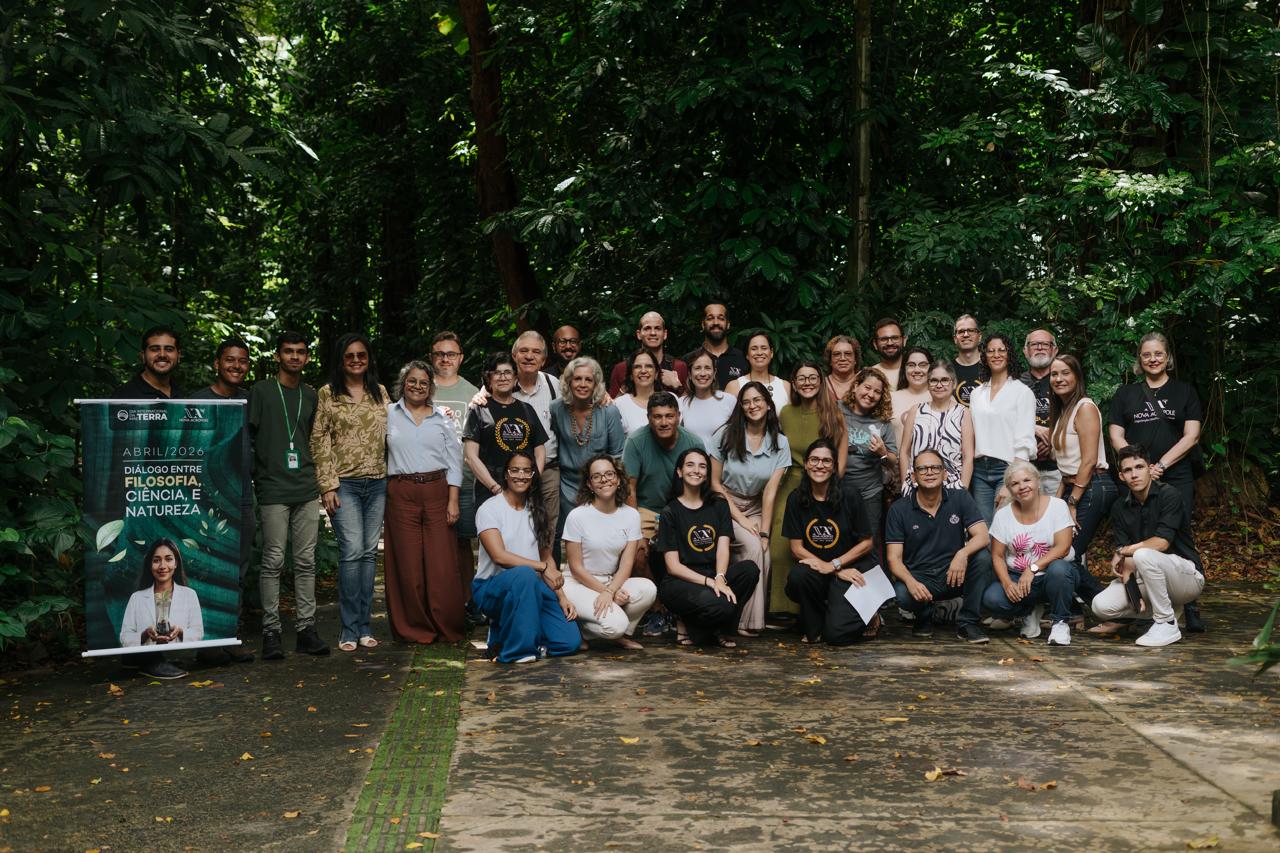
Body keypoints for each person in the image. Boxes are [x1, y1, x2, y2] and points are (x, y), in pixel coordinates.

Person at [248, 332, 329, 661]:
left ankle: (306, 630)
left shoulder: (310, 395)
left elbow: (315, 439)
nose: (294, 357)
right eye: (288, 351)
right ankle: (271, 632)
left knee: (306, 561)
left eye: (300, 352)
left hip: (305, 487)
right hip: (273, 488)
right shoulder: (262, 391)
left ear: (307, 357)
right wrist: (258, 475)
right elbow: (249, 437)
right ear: (278, 356)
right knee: (273, 560)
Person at [312, 332, 388, 653]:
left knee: (369, 553)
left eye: (361, 355)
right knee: (352, 551)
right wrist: (327, 484)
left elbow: (396, 429)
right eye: (349, 356)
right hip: (345, 484)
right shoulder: (328, 393)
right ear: (341, 360)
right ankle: (348, 627)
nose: (356, 360)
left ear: (368, 359)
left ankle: (365, 626)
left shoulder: (379, 392)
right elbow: (319, 440)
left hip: (378, 482)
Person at [472, 451, 582, 662]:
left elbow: (546, 557)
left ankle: (509, 635)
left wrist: (561, 596)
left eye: (526, 471)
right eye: (515, 470)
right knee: (524, 574)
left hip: (532, 585)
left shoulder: (537, 510)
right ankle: (516, 652)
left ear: (533, 475)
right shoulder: (490, 509)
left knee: (568, 642)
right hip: (492, 587)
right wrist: (541, 567)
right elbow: (499, 557)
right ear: (506, 474)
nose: (520, 476)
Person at [383, 361, 465, 644]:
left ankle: (446, 625)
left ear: (431, 388)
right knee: (408, 564)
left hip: (437, 491)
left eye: (423, 382)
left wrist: (453, 500)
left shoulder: (442, 417)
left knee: (441, 563)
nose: (417, 386)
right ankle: (415, 628)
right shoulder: (388, 414)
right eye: (412, 381)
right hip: (401, 492)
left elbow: (455, 461)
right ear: (403, 383)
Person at [1091, 445, 1205, 647]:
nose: (1134, 474)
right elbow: (1127, 565)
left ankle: (1166, 623)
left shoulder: (1169, 495)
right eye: (1128, 470)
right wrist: (1135, 597)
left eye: (1139, 467)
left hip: (1186, 578)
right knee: (1100, 606)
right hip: (1148, 578)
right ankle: (1166, 611)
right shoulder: (1119, 507)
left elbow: (1161, 542)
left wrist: (1123, 551)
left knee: (1143, 554)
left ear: (1150, 469)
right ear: (1121, 476)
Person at [189, 337, 255, 665]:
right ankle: (206, 643)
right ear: (217, 363)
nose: (236, 366)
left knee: (237, 570)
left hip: (241, 496)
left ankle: (230, 636)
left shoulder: (249, 400)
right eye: (230, 359)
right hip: (204, 497)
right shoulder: (196, 401)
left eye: (242, 361)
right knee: (205, 568)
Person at [885, 448, 994, 643]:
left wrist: (962, 554)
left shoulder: (960, 497)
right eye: (922, 469)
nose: (929, 472)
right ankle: (924, 615)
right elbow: (893, 559)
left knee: (983, 557)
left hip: (953, 574)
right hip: (920, 578)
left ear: (945, 474)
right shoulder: (899, 509)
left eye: (935, 468)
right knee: (901, 593)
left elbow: (983, 536)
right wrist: (910, 582)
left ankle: (968, 623)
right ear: (913, 477)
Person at [654, 448, 760, 647]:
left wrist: (719, 577)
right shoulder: (670, 512)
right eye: (690, 465)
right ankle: (693, 623)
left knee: (749, 570)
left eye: (702, 466)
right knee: (723, 606)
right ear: (679, 472)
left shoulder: (719, 505)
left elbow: (723, 548)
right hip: (680, 582)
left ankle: (716, 629)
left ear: (707, 474)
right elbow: (673, 567)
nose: (696, 470)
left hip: (712, 574)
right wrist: (710, 582)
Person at [710, 381, 790, 635]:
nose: (752, 406)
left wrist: (764, 532)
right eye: (746, 402)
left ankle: (749, 616)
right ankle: (746, 623)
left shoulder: (780, 442)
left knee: (764, 550)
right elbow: (714, 483)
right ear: (741, 408)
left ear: (768, 405)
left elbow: (770, 492)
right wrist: (743, 521)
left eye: (757, 400)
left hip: (755, 504)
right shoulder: (726, 435)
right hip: (723, 503)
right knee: (753, 546)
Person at [768, 360, 848, 614]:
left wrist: (827, 485)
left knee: (815, 542)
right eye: (801, 378)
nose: (807, 383)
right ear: (794, 383)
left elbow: (841, 460)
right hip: (790, 482)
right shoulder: (785, 413)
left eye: (812, 377)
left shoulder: (833, 413)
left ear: (821, 382)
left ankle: (809, 609)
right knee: (780, 547)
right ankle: (781, 609)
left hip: (823, 485)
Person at [783, 439, 879, 645]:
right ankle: (815, 627)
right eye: (814, 460)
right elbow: (796, 549)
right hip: (820, 571)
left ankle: (872, 615)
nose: (820, 465)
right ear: (806, 464)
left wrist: (836, 565)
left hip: (852, 569)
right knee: (798, 577)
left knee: (837, 635)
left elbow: (867, 543)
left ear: (834, 467)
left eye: (826, 461)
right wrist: (833, 569)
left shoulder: (850, 495)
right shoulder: (795, 499)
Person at [561, 455, 657, 649]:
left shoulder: (631, 515)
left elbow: (627, 564)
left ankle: (613, 633)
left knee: (648, 589)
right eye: (596, 476)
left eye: (609, 474)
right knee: (616, 625)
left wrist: (611, 590)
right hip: (578, 583)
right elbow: (576, 568)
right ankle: (586, 630)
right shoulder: (577, 516)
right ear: (589, 484)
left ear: (618, 479)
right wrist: (607, 592)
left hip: (610, 581)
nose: (604, 479)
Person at [1107, 332, 1203, 525]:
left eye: (1158, 354)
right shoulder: (1125, 393)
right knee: (1138, 531)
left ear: (1168, 357)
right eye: (1146, 355)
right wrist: (1139, 467)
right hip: (1135, 477)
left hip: (1177, 475)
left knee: (1176, 530)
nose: (1153, 359)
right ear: (1139, 359)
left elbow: (1192, 436)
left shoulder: (1185, 391)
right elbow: (1115, 436)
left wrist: (1160, 466)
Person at [981, 461, 1079, 646]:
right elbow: (997, 555)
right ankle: (1028, 612)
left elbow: (1063, 547)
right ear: (1009, 489)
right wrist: (1007, 583)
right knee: (992, 599)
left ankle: (1059, 623)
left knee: (1059, 569)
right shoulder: (1003, 515)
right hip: (1018, 577)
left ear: (1038, 481)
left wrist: (1032, 568)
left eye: (1027, 480)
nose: (1022, 486)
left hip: (1053, 574)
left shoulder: (1057, 506)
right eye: (1015, 483)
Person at [1049, 355, 1116, 607]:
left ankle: (1112, 608)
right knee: (1061, 552)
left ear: (1077, 376)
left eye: (1065, 373)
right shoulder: (1064, 410)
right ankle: (1092, 608)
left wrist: (1072, 502)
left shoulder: (1085, 408)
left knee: (1066, 554)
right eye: (1054, 374)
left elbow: (1088, 461)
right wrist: (1058, 502)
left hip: (1092, 486)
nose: (1059, 379)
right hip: (1074, 486)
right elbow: (1067, 466)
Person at [428, 332, 482, 609]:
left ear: (460, 358)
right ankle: (437, 603)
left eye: (451, 354)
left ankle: (467, 601)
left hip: (464, 479)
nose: (445, 359)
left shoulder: (474, 393)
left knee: (462, 543)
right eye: (439, 354)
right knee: (431, 545)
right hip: (428, 480)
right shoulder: (422, 388)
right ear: (431, 358)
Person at [622, 392, 707, 559]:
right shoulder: (635, 442)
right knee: (637, 555)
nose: (664, 423)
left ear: (678, 417)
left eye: (669, 416)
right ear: (648, 418)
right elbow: (629, 488)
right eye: (657, 417)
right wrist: (635, 530)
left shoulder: (694, 443)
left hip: (683, 508)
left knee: (695, 549)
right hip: (646, 510)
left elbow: (703, 485)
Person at [463, 352, 548, 509]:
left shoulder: (527, 409)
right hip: (489, 491)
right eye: (497, 373)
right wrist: (496, 489)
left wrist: (532, 481)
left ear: (515, 378)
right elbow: (470, 456)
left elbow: (540, 451)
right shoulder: (478, 409)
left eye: (508, 372)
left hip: (524, 490)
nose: (503, 377)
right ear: (489, 378)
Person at [549, 357, 626, 532]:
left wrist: (612, 489)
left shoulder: (609, 411)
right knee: (572, 538)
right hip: (567, 488)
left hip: (602, 486)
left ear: (596, 384)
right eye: (577, 379)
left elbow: (617, 454)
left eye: (588, 380)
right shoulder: (556, 409)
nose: (583, 384)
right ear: (568, 382)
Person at [968, 332, 1035, 525]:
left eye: (1001, 350)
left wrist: (1012, 480)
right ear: (985, 356)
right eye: (991, 351)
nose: (996, 355)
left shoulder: (1022, 392)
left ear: (1009, 354)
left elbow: (1025, 442)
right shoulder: (976, 394)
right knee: (984, 529)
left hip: (1007, 469)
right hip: (979, 471)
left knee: (1004, 528)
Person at [509, 331, 564, 538]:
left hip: (548, 472)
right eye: (524, 351)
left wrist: (603, 396)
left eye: (536, 352)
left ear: (543, 359)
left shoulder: (554, 385)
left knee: (548, 530)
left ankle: (546, 559)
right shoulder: (502, 384)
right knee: (515, 528)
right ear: (514, 355)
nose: (529, 356)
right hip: (512, 474)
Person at [119, 540, 204, 664]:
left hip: (182, 661)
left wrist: (180, 632)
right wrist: (144, 635)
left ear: (176, 563)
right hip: (147, 663)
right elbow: (124, 637)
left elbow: (198, 633)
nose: (162, 566)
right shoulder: (137, 598)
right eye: (156, 560)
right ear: (150, 565)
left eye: (168, 559)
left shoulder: (189, 595)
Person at [839, 367, 897, 544]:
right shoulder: (837, 409)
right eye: (867, 387)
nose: (871, 395)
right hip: (838, 490)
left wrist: (882, 453)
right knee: (840, 542)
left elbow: (892, 461)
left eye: (877, 392)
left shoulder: (883, 421)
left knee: (868, 543)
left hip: (869, 493)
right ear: (856, 386)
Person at [899, 360, 973, 495]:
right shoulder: (915, 411)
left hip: (952, 487)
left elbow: (968, 457)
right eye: (933, 380)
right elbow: (904, 452)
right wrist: (906, 484)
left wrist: (963, 490)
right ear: (928, 384)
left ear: (954, 383)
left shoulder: (963, 413)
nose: (939, 385)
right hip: (917, 488)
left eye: (944, 380)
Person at [1020, 328, 1062, 496]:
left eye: (1045, 344)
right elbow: (1004, 421)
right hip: (1024, 470)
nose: (1039, 348)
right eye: (1034, 344)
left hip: (1058, 469)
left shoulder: (1064, 381)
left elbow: (1077, 417)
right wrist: (1034, 429)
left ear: (1055, 350)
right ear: (1025, 350)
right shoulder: (1016, 384)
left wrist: (1054, 437)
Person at [607, 311, 687, 396]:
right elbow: (612, 403)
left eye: (657, 328)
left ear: (665, 334)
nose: (653, 333)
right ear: (639, 334)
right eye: (647, 328)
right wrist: (625, 388)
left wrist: (677, 386)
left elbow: (690, 403)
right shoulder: (622, 369)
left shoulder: (678, 367)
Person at [682, 302, 749, 389]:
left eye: (721, 318)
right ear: (703, 324)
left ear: (728, 325)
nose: (716, 322)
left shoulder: (743, 359)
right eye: (710, 318)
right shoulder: (689, 360)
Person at [679, 349, 736, 448]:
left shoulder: (729, 401)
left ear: (714, 373)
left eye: (707, 368)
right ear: (690, 374)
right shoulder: (681, 403)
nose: (703, 373)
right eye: (697, 368)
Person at [725, 331, 789, 413]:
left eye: (764, 348)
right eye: (754, 349)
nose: (759, 353)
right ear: (747, 355)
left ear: (771, 353)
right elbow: (726, 419)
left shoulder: (785, 386)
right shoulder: (734, 386)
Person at [116, 325, 183, 399]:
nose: (162, 355)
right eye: (154, 349)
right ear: (143, 356)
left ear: (178, 355)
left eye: (169, 349)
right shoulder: (124, 396)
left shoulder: (181, 393)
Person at [890, 346, 932, 450]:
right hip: (896, 459)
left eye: (923, 365)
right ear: (904, 369)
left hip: (934, 460)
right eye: (911, 365)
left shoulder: (942, 397)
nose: (917, 370)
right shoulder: (890, 398)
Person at [614, 350, 662, 436]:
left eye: (649, 366)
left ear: (656, 374)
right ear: (631, 375)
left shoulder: (671, 398)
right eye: (637, 367)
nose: (643, 371)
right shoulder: (619, 404)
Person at [950, 314, 983, 407]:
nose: (966, 335)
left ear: (979, 336)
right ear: (955, 339)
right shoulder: (947, 370)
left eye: (971, 330)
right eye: (961, 331)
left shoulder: (992, 366)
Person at [869, 317, 907, 388]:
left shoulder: (917, 372)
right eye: (884, 339)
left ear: (904, 340)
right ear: (875, 344)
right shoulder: (868, 375)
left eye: (895, 338)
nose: (890, 343)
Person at [824, 335, 862, 402]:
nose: (842, 358)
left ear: (855, 359)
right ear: (830, 360)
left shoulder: (864, 383)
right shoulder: (821, 385)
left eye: (848, 354)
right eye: (837, 354)